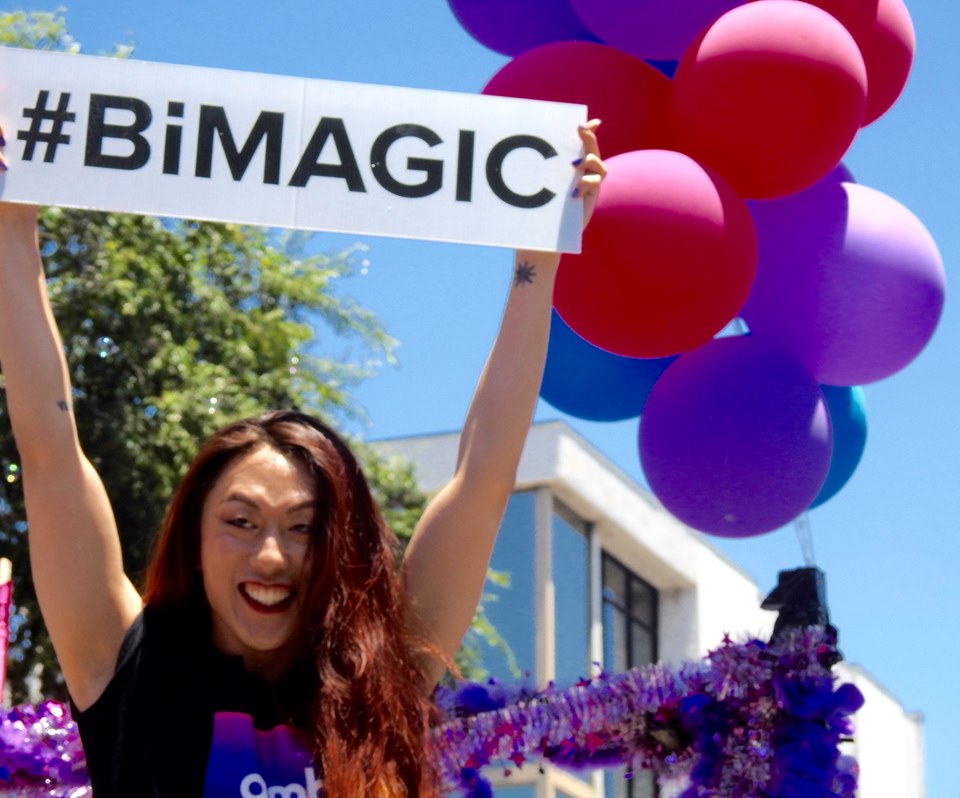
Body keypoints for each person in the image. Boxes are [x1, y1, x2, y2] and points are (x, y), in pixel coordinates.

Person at [0, 121, 605, 797]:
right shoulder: (124, 663)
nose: (271, 556)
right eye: (241, 522)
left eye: (304, 528)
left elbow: (485, 476)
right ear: (194, 541)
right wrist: (10, 219)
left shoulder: (386, 673)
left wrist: (538, 260)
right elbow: (50, 451)